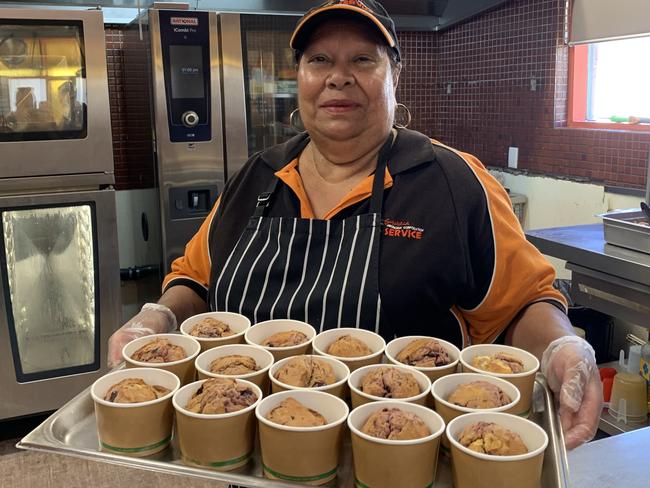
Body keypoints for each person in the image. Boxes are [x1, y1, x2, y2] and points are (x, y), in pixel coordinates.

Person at [107, 0, 601, 449]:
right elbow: (194, 279)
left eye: (362, 59)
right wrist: (157, 318)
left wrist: (562, 345)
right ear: (298, 76)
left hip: (400, 459)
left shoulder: (452, 182)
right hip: (257, 452)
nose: (337, 77)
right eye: (319, 60)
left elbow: (527, 301)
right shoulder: (259, 178)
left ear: (395, 74)